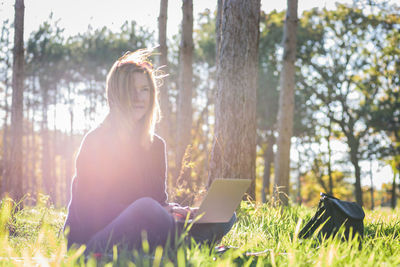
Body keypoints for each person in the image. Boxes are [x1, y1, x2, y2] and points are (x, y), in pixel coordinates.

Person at [63, 49, 236, 254]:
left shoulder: (156, 145)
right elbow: (89, 214)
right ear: (117, 94)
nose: (139, 97)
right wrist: (154, 211)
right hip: (93, 240)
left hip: (144, 230)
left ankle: (186, 246)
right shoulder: (96, 141)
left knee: (223, 214)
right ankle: (192, 248)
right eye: (131, 90)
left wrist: (176, 210)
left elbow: (157, 202)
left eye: (144, 89)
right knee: (145, 209)